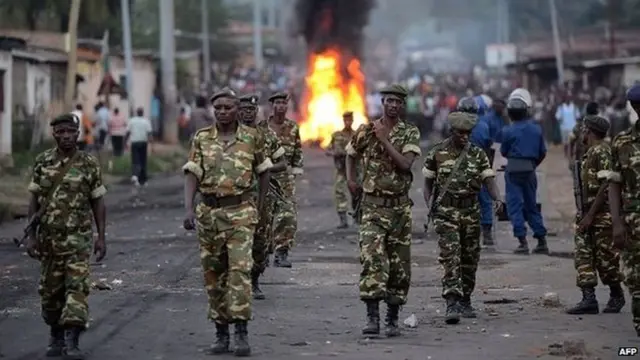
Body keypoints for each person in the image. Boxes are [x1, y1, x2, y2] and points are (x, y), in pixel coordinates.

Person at [182, 89, 272, 355]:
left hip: (241, 211)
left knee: (240, 271)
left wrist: (260, 202)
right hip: (209, 214)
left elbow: (264, 170)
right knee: (214, 275)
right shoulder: (201, 139)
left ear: (236, 109)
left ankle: (241, 331)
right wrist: (188, 209)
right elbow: (192, 174)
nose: (222, 112)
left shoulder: (252, 137)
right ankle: (221, 331)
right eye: (218, 108)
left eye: (228, 108)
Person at [26, 113, 107, 359]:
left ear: (77, 133)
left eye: (70, 131)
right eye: (60, 132)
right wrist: (32, 236)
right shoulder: (43, 162)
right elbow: (34, 199)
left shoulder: (89, 164)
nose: (66, 136)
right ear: (54, 134)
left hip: (78, 239)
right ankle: (56, 334)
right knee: (51, 293)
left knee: (77, 288)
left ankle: (72, 340)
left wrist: (100, 236)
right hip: (49, 240)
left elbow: (98, 202)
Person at [345, 84, 421, 338]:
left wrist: (384, 140)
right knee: (372, 260)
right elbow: (350, 154)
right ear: (382, 103)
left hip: (399, 209)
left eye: (398, 102)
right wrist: (350, 180)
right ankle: (372, 318)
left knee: (399, 267)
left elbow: (405, 165)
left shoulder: (409, 132)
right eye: (389, 101)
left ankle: (392, 318)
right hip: (372, 208)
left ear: (402, 106)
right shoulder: (366, 130)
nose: (393, 105)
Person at [423, 111, 502, 324]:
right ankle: (452, 302)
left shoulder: (477, 154)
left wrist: (497, 199)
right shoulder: (437, 153)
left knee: (470, 258)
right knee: (451, 257)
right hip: (446, 213)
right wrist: (430, 204)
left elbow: (489, 179)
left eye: (468, 133)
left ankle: (466, 299)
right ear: (452, 131)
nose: (465, 137)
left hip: (470, 212)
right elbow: (428, 182)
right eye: (460, 133)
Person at [566, 115, 625, 315]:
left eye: (584, 130)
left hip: (601, 215)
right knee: (583, 255)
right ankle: (588, 297)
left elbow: (607, 186)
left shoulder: (602, 152)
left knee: (606, 260)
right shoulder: (589, 152)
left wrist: (591, 215)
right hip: (586, 214)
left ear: (588, 131)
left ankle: (616, 294)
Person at [238, 94, 287, 300]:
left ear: (257, 111)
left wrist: (263, 169)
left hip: (261, 197)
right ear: (237, 111)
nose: (248, 113)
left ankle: (255, 280)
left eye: (251, 109)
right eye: (244, 109)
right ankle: (237, 283)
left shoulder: (267, 136)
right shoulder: (228, 136)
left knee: (260, 242)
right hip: (236, 197)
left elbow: (283, 163)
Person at [608, 84, 640, 338]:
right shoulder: (622, 142)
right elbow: (614, 184)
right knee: (636, 283)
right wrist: (616, 222)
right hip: (633, 225)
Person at [500, 89, 548, 255]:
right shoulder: (536, 129)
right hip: (529, 170)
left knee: (514, 206)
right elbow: (542, 152)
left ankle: (522, 241)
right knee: (531, 205)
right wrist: (532, 164)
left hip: (513, 170)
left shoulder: (507, 131)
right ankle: (541, 240)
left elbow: (503, 152)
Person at [268, 92, 303, 268]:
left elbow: (297, 151)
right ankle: (263, 250)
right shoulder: (262, 127)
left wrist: (294, 172)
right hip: (265, 176)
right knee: (264, 216)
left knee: (288, 216)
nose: (281, 106)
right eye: (277, 103)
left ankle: (282, 252)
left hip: (285, 177)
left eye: (283, 103)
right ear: (272, 106)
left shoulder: (293, 127)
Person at [462, 97, 496, 247]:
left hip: (463, 169)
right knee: (485, 200)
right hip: (481, 167)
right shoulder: (483, 125)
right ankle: (487, 234)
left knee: (463, 200)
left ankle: (467, 232)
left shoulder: (457, 126)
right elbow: (489, 147)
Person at [326, 111, 356, 229]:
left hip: (354, 170)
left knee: (357, 193)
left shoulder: (356, 135)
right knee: (340, 193)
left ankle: (356, 217)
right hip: (341, 169)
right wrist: (335, 153)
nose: (348, 122)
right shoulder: (336, 135)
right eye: (346, 120)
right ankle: (343, 220)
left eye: (350, 119)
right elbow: (328, 150)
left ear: (353, 120)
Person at [125, 108, 153, 187]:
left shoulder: (132, 121)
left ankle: (135, 177)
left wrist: (124, 142)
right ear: (142, 113)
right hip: (143, 143)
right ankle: (143, 180)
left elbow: (127, 132)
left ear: (136, 113)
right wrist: (152, 144)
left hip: (134, 143)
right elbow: (149, 134)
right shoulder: (146, 121)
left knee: (135, 160)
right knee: (143, 161)